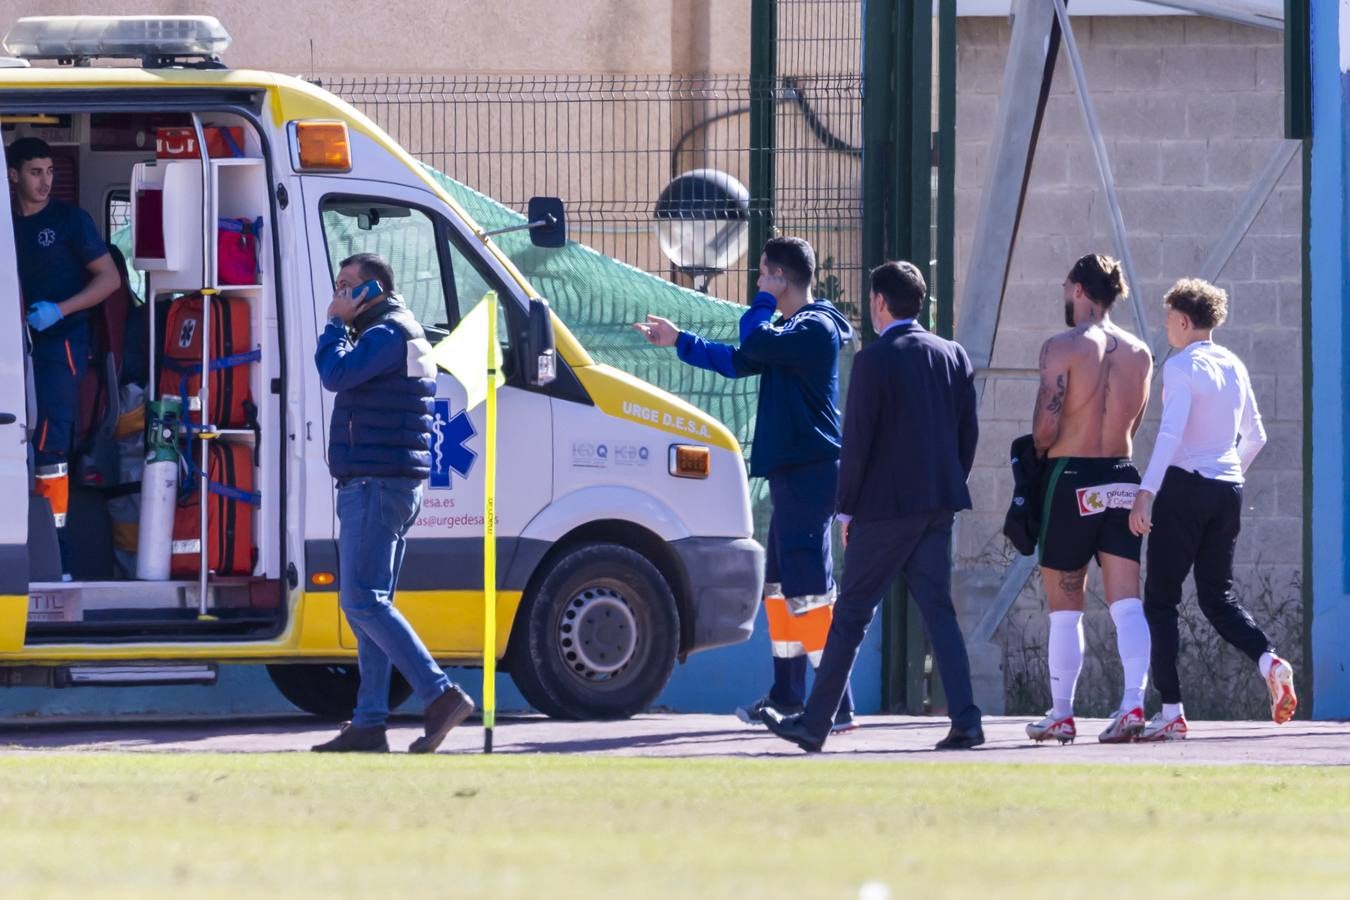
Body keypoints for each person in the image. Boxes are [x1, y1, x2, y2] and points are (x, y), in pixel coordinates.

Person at [634, 236, 857, 732]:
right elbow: (738, 361)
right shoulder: (789, 330)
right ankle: (788, 695)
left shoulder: (815, 327)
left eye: (762, 274)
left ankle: (834, 705)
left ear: (780, 277)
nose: (757, 283)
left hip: (810, 470)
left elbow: (754, 341)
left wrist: (761, 302)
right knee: (779, 588)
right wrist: (679, 341)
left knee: (809, 590)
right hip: (790, 471)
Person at [761, 260, 982, 752]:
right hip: (935, 506)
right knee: (938, 613)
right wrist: (948, 484)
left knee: (851, 616)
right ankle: (967, 719)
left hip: (884, 510)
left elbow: (857, 442)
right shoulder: (953, 354)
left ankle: (814, 725)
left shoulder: (875, 359)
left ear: (881, 303)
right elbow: (969, 433)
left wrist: (846, 510)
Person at [312, 252, 475, 753]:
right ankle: (368, 722)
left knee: (361, 601)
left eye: (346, 286)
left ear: (371, 290)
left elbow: (334, 374)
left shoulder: (385, 334)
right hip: (388, 483)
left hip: (376, 483)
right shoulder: (393, 330)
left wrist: (333, 327)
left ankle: (439, 694)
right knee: (372, 604)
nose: (338, 293)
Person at [1128, 278, 1296, 741]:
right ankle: (1269, 660)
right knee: (1217, 596)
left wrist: (1147, 492)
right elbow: (1257, 436)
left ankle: (1172, 711)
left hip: (1185, 488)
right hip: (1228, 489)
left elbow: (1170, 435)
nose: (1166, 330)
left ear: (1184, 321)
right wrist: (1227, 474)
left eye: (1168, 321)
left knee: (1161, 601)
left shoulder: (1181, 367)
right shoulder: (1234, 364)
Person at [1026, 253, 1154, 745]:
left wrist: (1038, 453)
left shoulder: (1062, 347)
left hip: (1071, 473)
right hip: (1121, 473)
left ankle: (1061, 712)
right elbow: (1135, 424)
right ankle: (1133, 704)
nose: (1063, 292)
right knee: (1127, 604)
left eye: (1066, 285)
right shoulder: (1141, 353)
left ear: (1080, 289)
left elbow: (1045, 425)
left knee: (1065, 604)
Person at [8, 137, 118, 560]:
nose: (46, 181)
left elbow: (109, 280)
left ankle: (57, 554)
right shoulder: (6, 221)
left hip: (61, 345)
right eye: (36, 172)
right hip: (12, 348)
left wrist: (60, 310)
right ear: (13, 174)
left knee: (50, 447)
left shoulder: (71, 221)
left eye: (51, 171)